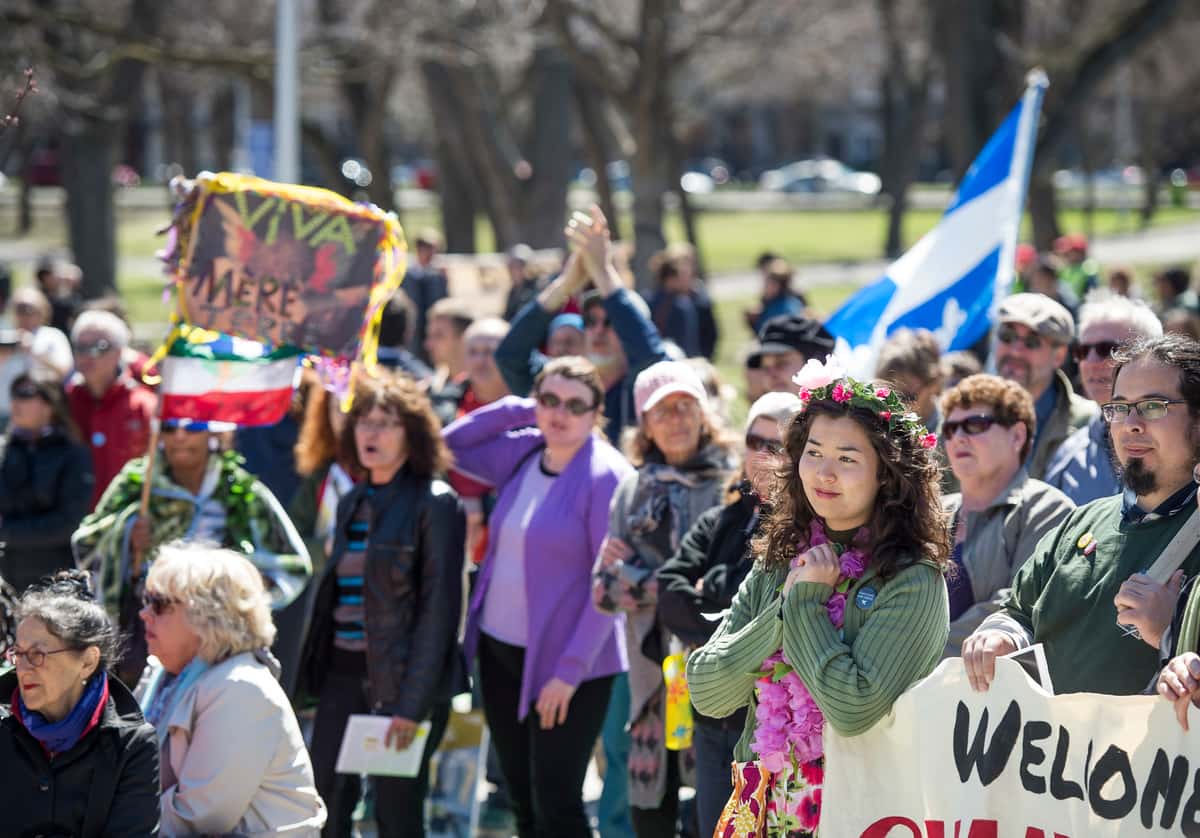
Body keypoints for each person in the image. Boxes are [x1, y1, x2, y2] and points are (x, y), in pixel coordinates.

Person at [687, 359, 950, 834]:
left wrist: (806, 607)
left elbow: (852, 710)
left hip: (863, 814)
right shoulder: (779, 559)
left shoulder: (912, 578)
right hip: (762, 807)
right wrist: (786, 608)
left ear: (886, 474)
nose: (824, 473)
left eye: (847, 458)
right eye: (813, 452)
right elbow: (707, 693)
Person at [443, 356, 634, 837]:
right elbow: (448, 446)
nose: (559, 413)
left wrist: (567, 675)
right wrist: (513, 410)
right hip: (500, 650)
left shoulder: (605, 474)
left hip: (570, 666)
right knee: (522, 799)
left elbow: (608, 590)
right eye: (549, 400)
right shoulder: (528, 449)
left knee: (558, 805)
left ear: (596, 412)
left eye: (575, 404)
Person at [963, 334, 1200, 696]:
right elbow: (1018, 611)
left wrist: (1171, 632)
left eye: (1153, 406)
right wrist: (1000, 637)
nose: (1131, 424)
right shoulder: (1081, 523)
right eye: (1118, 408)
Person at [299, 371, 466, 837]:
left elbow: (440, 614)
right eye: (364, 421)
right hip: (343, 675)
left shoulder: (436, 503)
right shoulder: (352, 499)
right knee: (325, 803)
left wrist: (410, 707)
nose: (371, 432)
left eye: (386, 422)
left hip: (402, 685)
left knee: (396, 813)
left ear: (411, 434)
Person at [591, 360, 735, 835]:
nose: (675, 420)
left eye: (684, 406)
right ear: (645, 424)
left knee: (711, 808)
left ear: (703, 412)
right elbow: (602, 591)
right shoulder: (633, 490)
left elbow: (723, 588)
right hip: (650, 677)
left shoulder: (729, 486)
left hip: (716, 671)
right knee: (649, 811)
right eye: (662, 411)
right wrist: (669, 586)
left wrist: (636, 575)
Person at [657, 391, 800, 838]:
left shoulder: (801, 530)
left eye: (775, 446)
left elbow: (771, 611)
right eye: (754, 441)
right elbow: (669, 591)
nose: (762, 455)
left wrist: (714, 604)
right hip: (709, 717)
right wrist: (729, 627)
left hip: (765, 726)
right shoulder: (721, 519)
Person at [72, 420, 312, 686]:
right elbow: (85, 544)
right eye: (169, 428)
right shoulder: (137, 485)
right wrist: (126, 537)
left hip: (219, 641)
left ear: (213, 432)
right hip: (147, 633)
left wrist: (233, 582)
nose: (180, 438)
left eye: (193, 428)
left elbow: (294, 566)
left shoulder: (244, 492)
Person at [137, 544, 326, 835]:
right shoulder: (163, 674)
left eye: (159, 603)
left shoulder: (240, 688)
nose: (144, 613)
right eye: (146, 599)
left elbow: (200, 816)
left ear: (207, 614)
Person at [0, 571, 160, 836]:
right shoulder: (4, 729)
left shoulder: (131, 745)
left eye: (38, 654)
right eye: (19, 654)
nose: (23, 669)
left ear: (87, 662)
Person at [494, 207, 670, 444]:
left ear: (632, 330)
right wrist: (563, 286)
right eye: (590, 321)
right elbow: (509, 357)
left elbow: (653, 358)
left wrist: (604, 273)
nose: (598, 330)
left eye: (611, 322)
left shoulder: (643, 389)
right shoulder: (561, 384)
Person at [939, 374, 1074, 655]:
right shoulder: (932, 511)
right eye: (950, 429)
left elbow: (1017, 602)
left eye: (975, 424)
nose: (959, 437)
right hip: (920, 688)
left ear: (1017, 435)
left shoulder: (1047, 508)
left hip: (995, 688)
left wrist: (913, 659)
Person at [1045, 294, 1164, 504]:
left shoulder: (1183, 443)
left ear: (1152, 355)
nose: (1091, 362)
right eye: (1082, 351)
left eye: (1107, 349)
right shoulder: (1068, 455)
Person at [0, 373, 94, 594]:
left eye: (25, 395)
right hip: (5, 578)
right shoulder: (5, 450)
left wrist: (6, 532)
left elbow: (68, 524)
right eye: (14, 395)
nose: (15, 402)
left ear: (49, 404)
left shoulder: (73, 454)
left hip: (54, 581)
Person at [993, 293, 1096, 480]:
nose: (1016, 350)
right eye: (1007, 337)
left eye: (1032, 342)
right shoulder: (963, 414)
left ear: (1059, 356)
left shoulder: (1089, 424)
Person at [65, 310, 157, 509]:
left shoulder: (142, 406)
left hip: (126, 520)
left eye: (99, 348)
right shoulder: (64, 402)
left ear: (119, 353)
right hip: (72, 521)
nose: (88, 356)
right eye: (81, 348)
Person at [0, 287, 73, 428]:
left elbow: (64, 370)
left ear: (42, 310)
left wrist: (33, 350)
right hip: (5, 413)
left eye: (29, 308)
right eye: (19, 309)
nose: (24, 314)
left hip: (41, 414)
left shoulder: (52, 336)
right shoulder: (5, 337)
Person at [646, 246, 718, 360]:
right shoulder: (681, 305)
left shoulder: (647, 299)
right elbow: (689, 344)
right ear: (670, 279)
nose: (690, 281)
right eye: (685, 276)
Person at [745, 314, 836, 397]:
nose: (771, 375)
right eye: (765, 368)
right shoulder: (762, 413)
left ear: (817, 362)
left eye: (781, 363)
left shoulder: (842, 413)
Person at [875, 328, 943, 431]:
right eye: (887, 398)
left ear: (933, 385)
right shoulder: (878, 431)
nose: (896, 407)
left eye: (906, 397)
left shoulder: (953, 432)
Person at [405, 229, 450, 365]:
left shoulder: (439, 275)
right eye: (427, 250)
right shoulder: (407, 274)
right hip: (414, 327)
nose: (431, 254)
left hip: (432, 325)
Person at [745, 257, 807, 335]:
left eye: (768, 283)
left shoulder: (787, 307)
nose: (764, 287)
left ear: (778, 285)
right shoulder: (768, 304)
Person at [425, 297, 475, 393]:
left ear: (464, 338)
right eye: (430, 336)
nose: (428, 344)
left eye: (438, 336)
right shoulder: (433, 387)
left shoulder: (483, 391)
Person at [503, 243, 546, 323]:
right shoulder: (514, 290)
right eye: (511, 266)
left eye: (518, 266)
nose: (513, 271)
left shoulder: (537, 288)